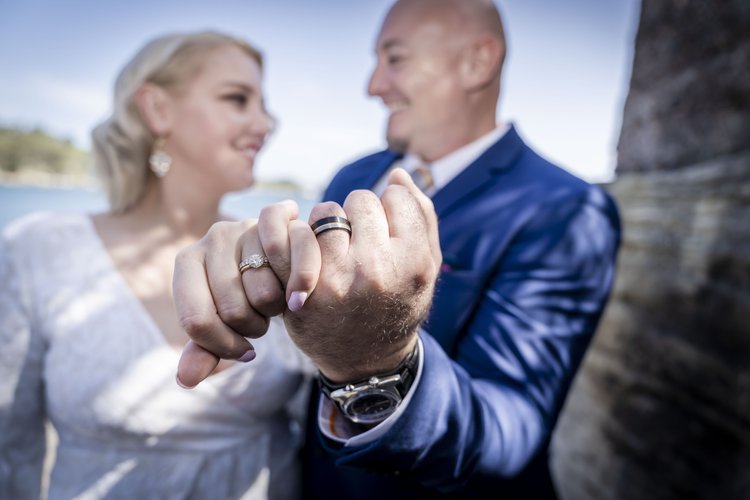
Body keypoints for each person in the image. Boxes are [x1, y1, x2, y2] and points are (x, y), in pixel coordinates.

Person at [175, 0, 622, 498]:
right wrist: (254, 277)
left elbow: (511, 423)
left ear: (477, 62)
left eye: (395, 58)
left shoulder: (567, 209)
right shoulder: (353, 175)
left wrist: (379, 361)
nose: (374, 86)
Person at [0, 31, 313, 499]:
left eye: (264, 106)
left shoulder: (277, 250)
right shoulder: (39, 248)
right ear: (157, 108)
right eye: (237, 99)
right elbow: (10, 448)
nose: (265, 123)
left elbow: (327, 421)